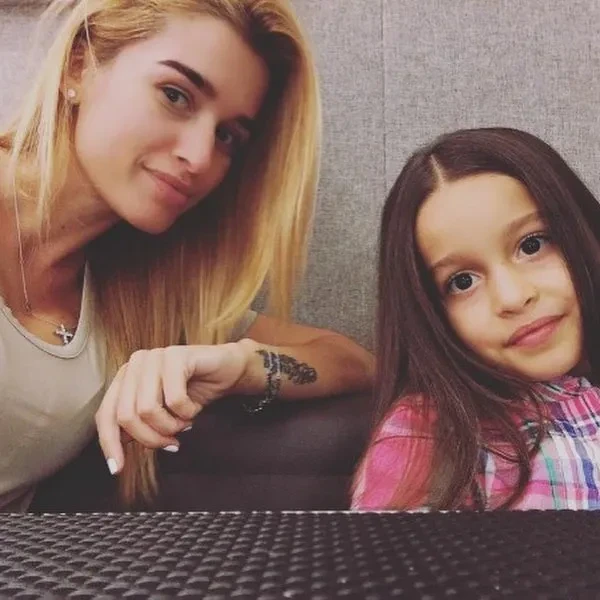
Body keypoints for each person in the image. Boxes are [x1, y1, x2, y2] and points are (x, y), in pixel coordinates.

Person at [0, 0, 374, 511]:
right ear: (78, 66)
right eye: (175, 95)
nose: (200, 158)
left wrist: (243, 365)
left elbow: (355, 362)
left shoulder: (141, 291)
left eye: (227, 136)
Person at [352, 127, 600, 511]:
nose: (513, 297)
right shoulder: (426, 435)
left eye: (532, 244)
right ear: (432, 315)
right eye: (463, 282)